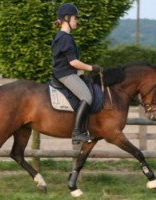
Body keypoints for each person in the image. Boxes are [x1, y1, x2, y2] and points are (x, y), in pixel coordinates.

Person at [52, 3, 102, 144]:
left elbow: (66, 62)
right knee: (87, 96)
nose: (77, 21)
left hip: (64, 73)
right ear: (66, 18)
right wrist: (92, 68)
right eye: (75, 18)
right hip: (66, 75)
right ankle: (77, 133)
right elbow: (73, 62)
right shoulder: (66, 38)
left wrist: (80, 72)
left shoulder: (60, 36)